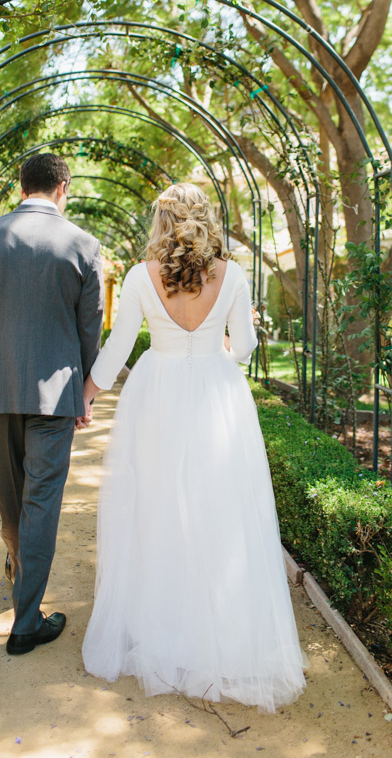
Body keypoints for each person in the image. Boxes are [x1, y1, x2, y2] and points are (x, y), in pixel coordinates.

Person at [81, 183, 306, 710]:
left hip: (155, 395)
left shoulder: (140, 276)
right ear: (204, 219)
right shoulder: (235, 274)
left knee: (155, 506)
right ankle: (217, 632)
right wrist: (216, 349)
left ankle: (161, 625)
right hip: (216, 393)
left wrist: (87, 394)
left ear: (162, 223)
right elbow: (246, 348)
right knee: (219, 511)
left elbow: (117, 347)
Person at [0, 153, 103, 656]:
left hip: (0, 386)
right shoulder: (83, 244)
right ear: (63, 188)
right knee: (41, 501)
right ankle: (26, 620)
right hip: (57, 393)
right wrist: (86, 393)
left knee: (11, 492)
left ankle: (19, 571)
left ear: (23, 186)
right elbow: (89, 330)